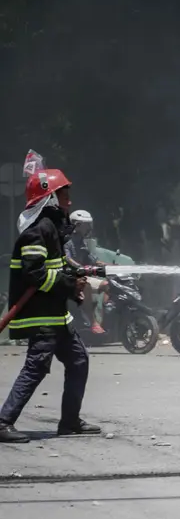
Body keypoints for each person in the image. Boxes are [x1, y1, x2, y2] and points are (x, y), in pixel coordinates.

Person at [0, 165, 99, 444]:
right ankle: (3, 421)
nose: (69, 201)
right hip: (41, 317)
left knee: (78, 361)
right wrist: (70, 285)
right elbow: (35, 273)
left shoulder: (52, 229)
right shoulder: (36, 232)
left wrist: (76, 281)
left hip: (57, 315)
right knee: (36, 367)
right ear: (50, 199)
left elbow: (57, 267)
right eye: (64, 195)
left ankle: (69, 422)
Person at [64, 209, 105, 334]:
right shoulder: (67, 240)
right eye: (86, 225)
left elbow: (92, 259)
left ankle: (103, 320)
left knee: (106, 285)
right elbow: (67, 258)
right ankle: (93, 323)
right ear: (77, 225)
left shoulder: (82, 242)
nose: (89, 228)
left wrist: (108, 265)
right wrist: (79, 267)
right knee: (86, 286)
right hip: (70, 277)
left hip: (83, 274)